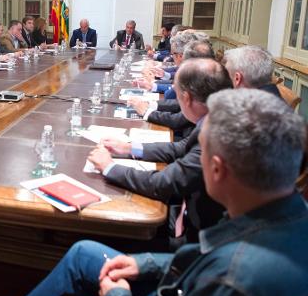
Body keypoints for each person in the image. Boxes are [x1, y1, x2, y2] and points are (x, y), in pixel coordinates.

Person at [21, 88, 307, 296]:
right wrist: (146, 263)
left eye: (201, 153)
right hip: (181, 278)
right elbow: (203, 257)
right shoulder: (291, 213)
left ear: (217, 169)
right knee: (83, 253)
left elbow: (214, 269)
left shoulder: (230, 280)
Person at [90, 59, 233, 245]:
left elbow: (162, 183)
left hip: (195, 238)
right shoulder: (216, 116)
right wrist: (129, 147)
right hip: (193, 215)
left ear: (187, 98)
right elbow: (181, 148)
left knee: (101, 238)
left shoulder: (215, 133)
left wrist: (110, 167)